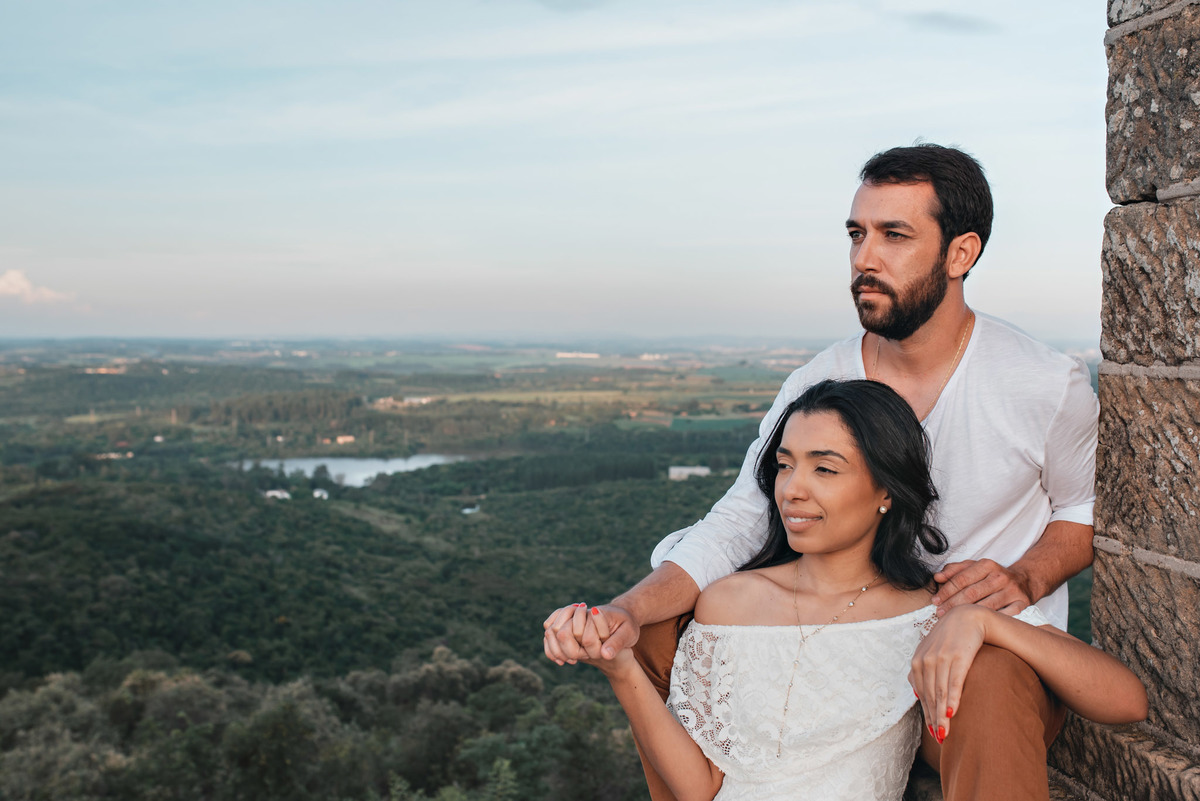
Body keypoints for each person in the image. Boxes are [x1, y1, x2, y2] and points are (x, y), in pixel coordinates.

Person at [544, 144, 1103, 801]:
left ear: (961, 254)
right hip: (849, 644)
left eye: (895, 235)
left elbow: (1083, 511)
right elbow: (738, 522)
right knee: (653, 625)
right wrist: (625, 611)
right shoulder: (819, 381)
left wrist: (1022, 577)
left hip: (962, 660)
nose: (865, 257)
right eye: (857, 233)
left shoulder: (1042, 383)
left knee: (993, 673)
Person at [546, 380, 1145, 801]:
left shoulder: (931, 610)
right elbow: (702, 786)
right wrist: (622, 669)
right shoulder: (727, 603)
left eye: (824, 469)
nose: (792, 490)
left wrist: (987, 623)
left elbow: (1126, 701)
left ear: (887, 489)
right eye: (784, 465)